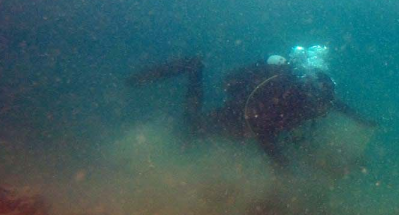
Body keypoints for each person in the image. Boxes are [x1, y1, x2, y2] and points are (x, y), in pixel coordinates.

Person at [128, 45, 375, 167]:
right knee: (190, 127)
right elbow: (263, 130)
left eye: (325, 104)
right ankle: (193, 68)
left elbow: (337, 105)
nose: (323, 110)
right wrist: (281, 166)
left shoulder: (316, 96)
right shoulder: (291, 99)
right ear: (309, 94)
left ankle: (194, 68)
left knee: (193, 130)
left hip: (244, 121)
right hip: (235, 118)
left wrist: (362, 120)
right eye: (320, 104)